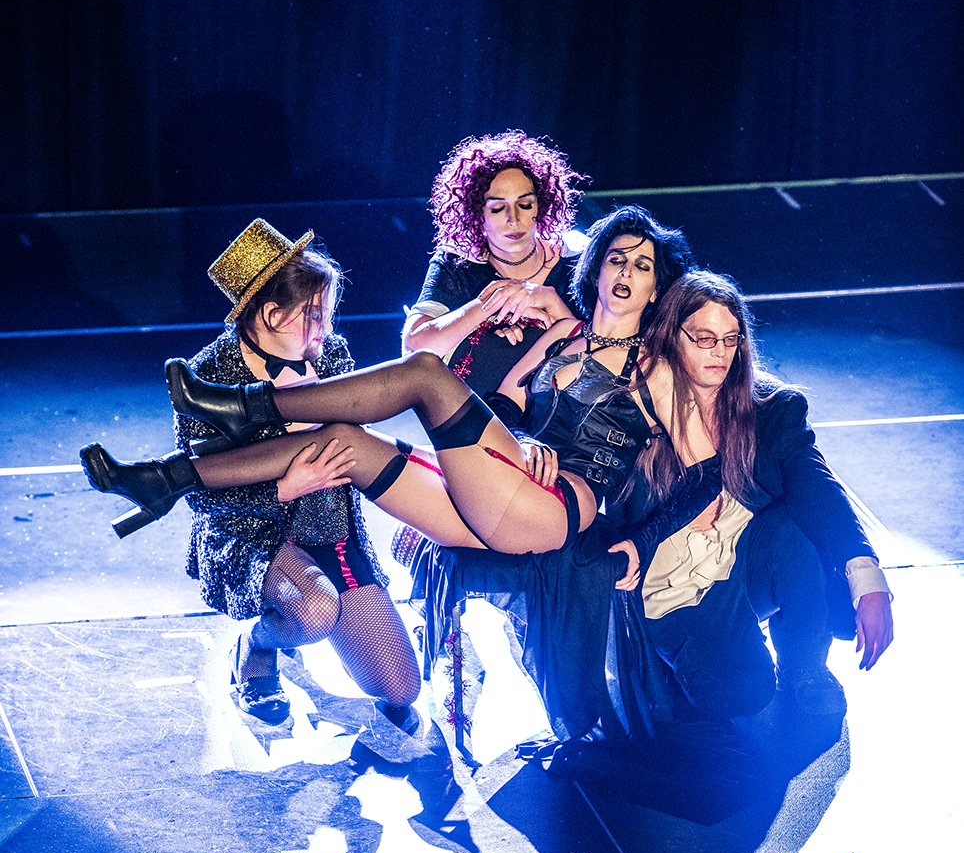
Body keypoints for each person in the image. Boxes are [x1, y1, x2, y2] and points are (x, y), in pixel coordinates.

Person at [79, 208, 712, 740]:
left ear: (657, 287)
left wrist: (641, 537)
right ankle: (163, 480)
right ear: (595, 269)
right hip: (495, 488)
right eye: (617, 259)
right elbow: (511, 408)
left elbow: (706, 471)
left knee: (425, 375)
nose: (626, 272)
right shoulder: (565, 337)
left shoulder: (659, 364)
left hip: (550, 509)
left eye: (642, 265)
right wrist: (523, 440)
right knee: (346, 442)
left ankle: (246, 407)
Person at [124, 218, 421, 726]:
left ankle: (303, 618)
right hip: (257, 535)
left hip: (331, 529)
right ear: (271, 314)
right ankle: (257, 644)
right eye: (315, 314)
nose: (327, 327)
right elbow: (201, 490)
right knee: (313, 611)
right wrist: (282, 488)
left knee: (399, 688)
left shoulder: (331, 355)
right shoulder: (208, 376)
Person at [607, 269, 894, 729]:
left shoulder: (772, 408)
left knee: (795, 526)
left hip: (739, 566)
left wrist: (867, 577)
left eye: (730, 339)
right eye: (704, 339)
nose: (720, 352)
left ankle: (805, 669)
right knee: (742, 692)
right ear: (671, 336)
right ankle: (681, 660)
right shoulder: (632, 407)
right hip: (668, 591)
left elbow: (818, 487)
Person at [401, 130, 587, 397]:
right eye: (498, 208)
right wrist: (491, 305)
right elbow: (414, 346)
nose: (513, 219)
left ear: (541, 206)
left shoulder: (576, 258)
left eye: (525, 204)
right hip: (476, 409)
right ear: (477, 214)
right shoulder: (459, 263)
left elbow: (603, 358)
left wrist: (550, 302)